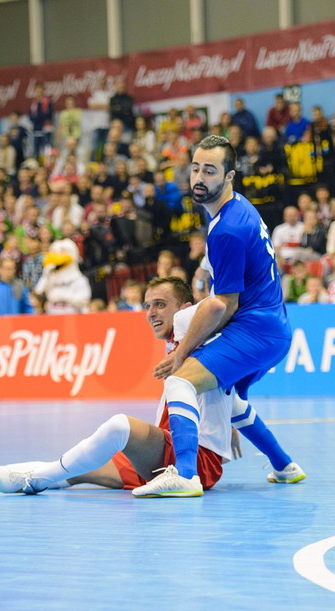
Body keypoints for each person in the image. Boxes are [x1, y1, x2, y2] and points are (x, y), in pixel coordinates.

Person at [0, 276, 304, 495]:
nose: (151, 312)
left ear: (184, 309)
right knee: (72, 472)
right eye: (147, 305)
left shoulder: (190, 327)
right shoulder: (203, 356)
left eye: (160, 305)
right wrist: (283, 463)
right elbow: (243, 411)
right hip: (171, 457)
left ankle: (38, 478)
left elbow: (210, 307)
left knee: (119, 426)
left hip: (191, 460)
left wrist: (208, 268)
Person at [129, 135, 296, 497]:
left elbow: (222, 305)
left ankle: (186, 475)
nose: (199, 177)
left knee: (180, 381)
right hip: (274, 329)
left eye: (210, 170)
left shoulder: (227, 230)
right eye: (195, 168)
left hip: (255, 331)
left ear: (229, 176)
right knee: (230, 399)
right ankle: (285, 466)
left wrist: (181, 352)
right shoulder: (238, 209)